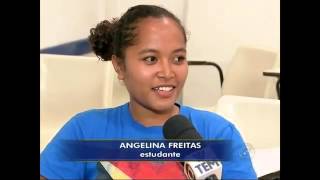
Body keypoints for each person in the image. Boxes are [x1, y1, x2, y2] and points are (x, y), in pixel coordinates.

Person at [40, 4, 257, 179]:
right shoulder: (84, 132)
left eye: (178, 58)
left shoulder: (218, 134)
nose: (167, 72)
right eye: (150, 59)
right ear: (120, 66)